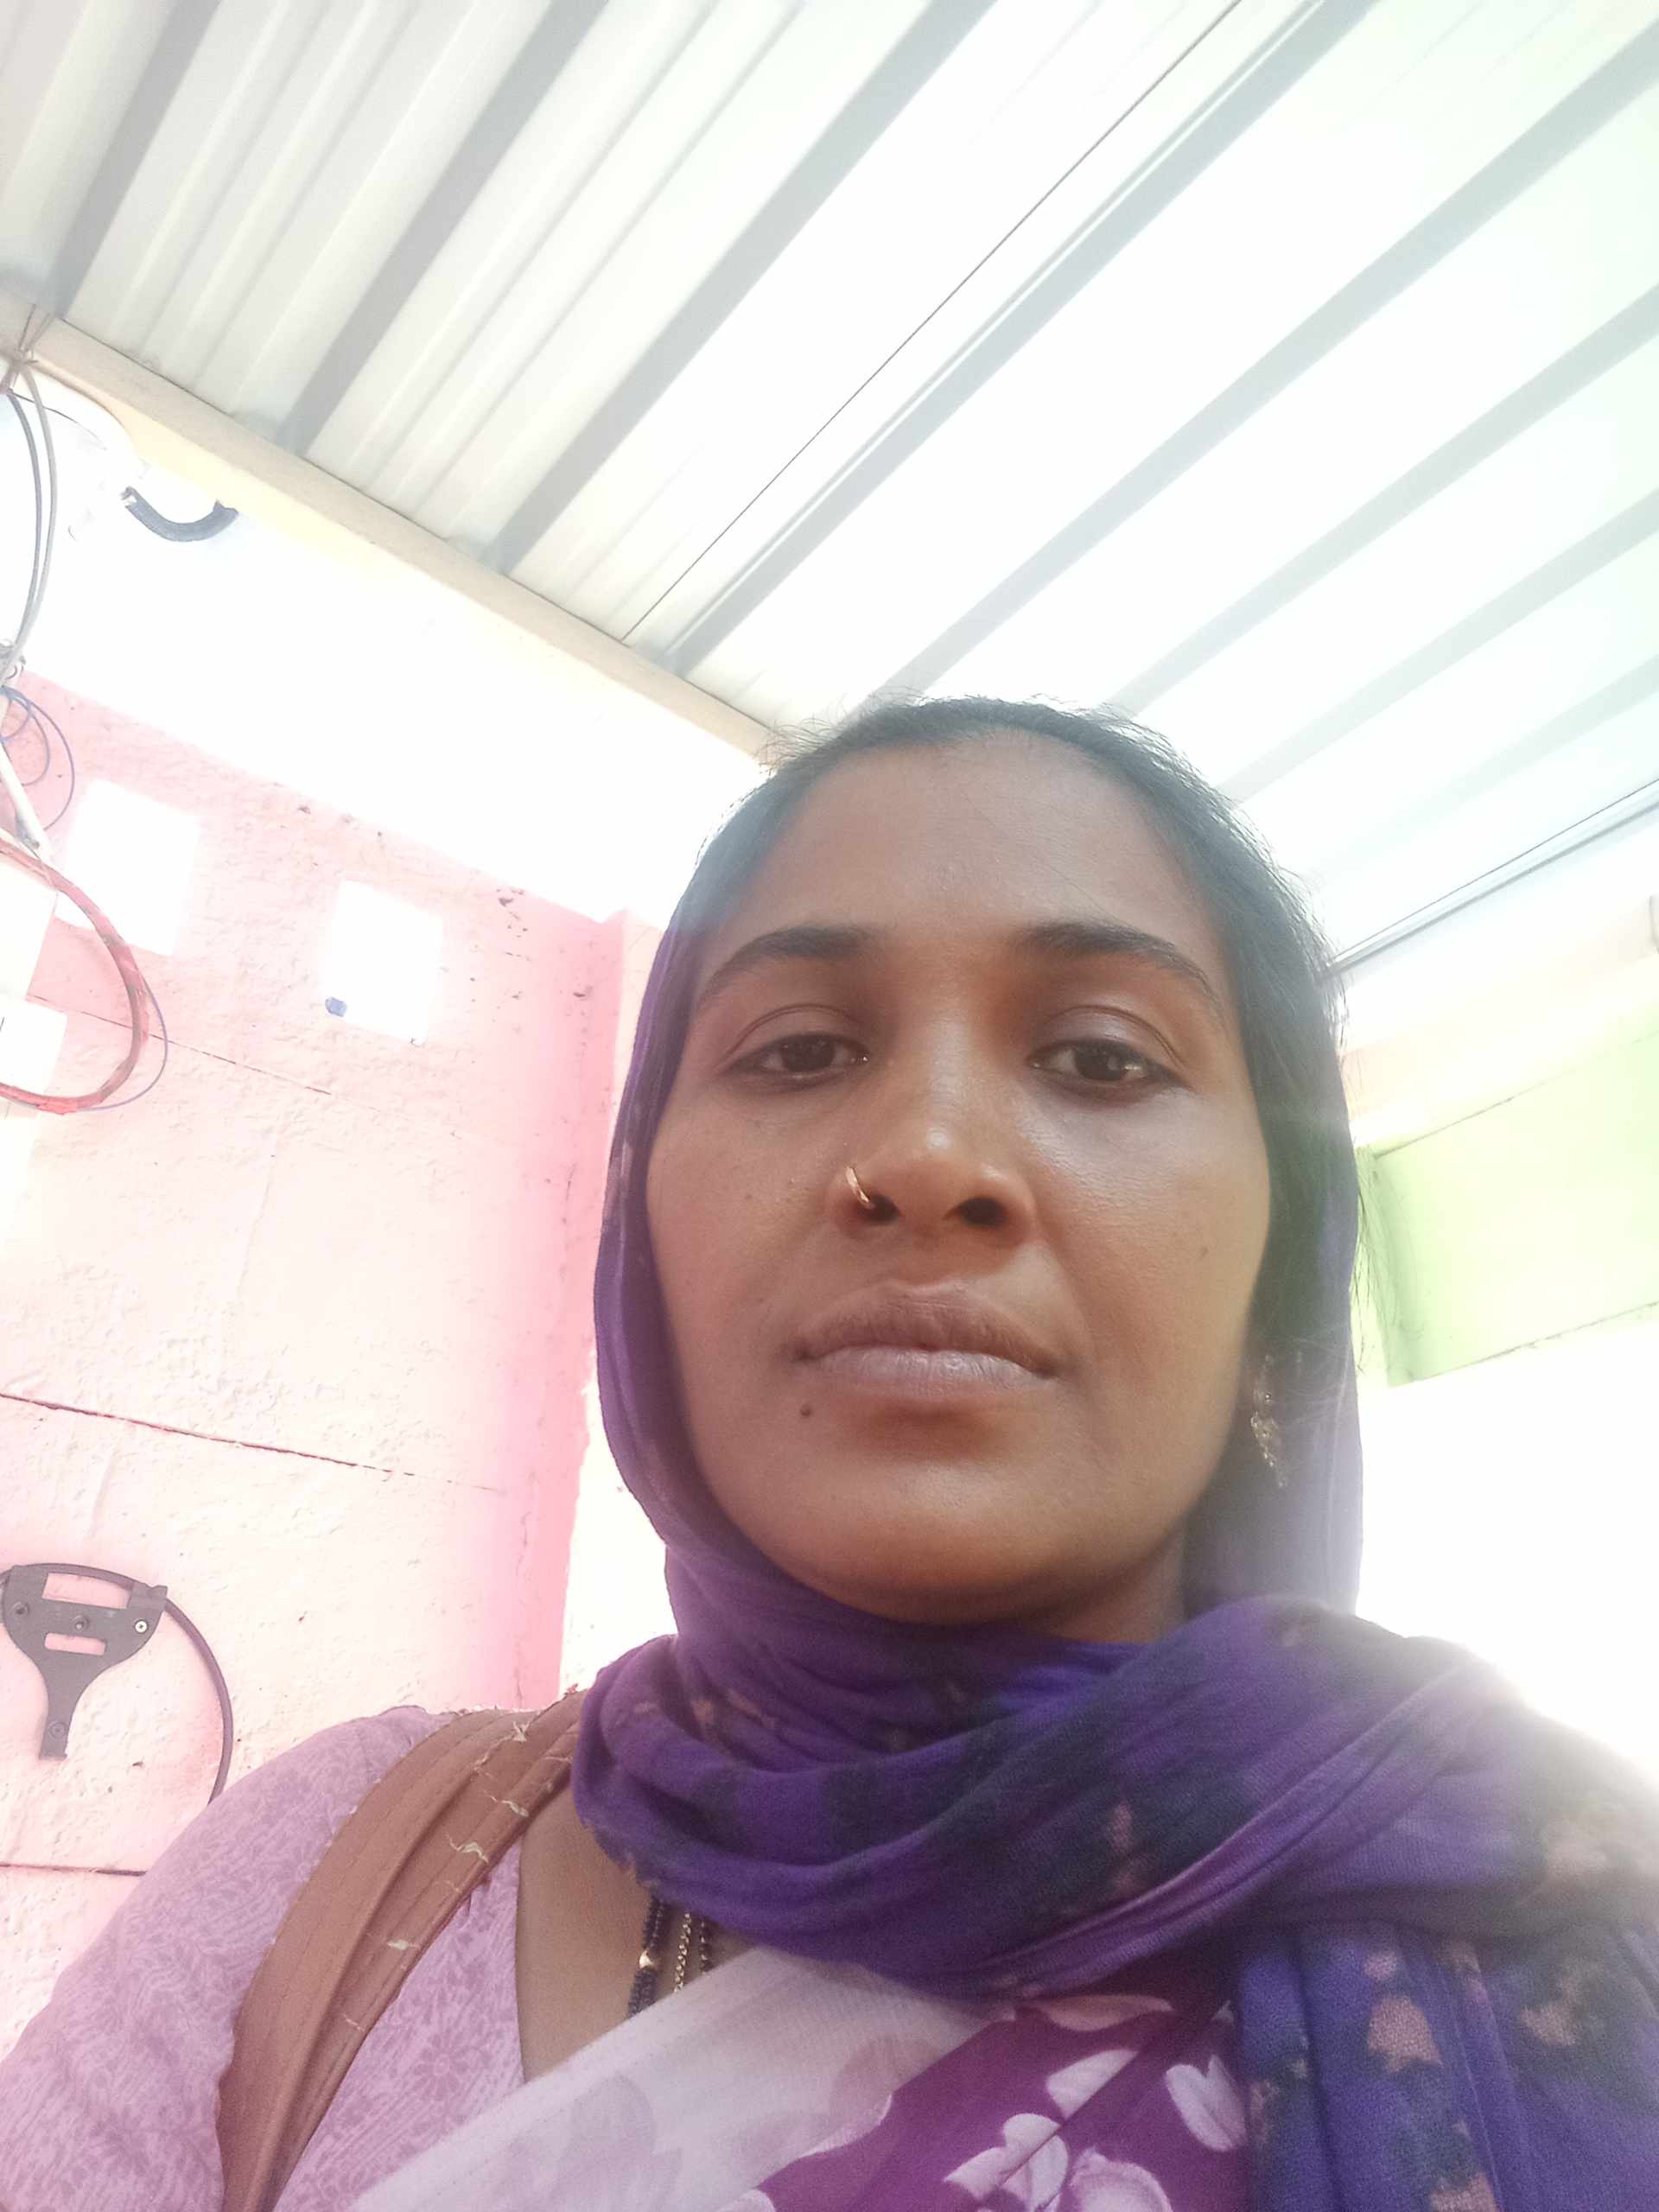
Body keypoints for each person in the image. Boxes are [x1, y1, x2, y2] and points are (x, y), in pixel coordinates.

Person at [2, 697, 1656, 2211]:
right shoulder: (325, 1872)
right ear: (642, 1219)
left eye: (1102, 1057)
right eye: (798, 1050)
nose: (928, 1157)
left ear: (1279, 1259)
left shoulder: (1558, 1928)